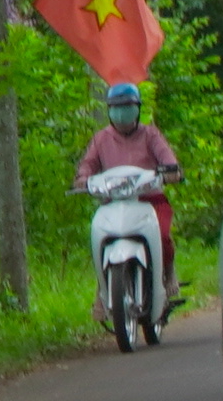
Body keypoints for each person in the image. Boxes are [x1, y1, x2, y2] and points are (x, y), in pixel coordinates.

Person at [74, 82, 182, 305]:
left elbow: (168, 160)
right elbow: (88, 164)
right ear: (109, 110)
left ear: (137, 109)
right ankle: (102, 290)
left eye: (128, 106)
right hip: (113, 202)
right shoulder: (101, 139)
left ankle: (169, 270)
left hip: (149, 199)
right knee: (101, 237)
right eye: (117, 107)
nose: (122, 112)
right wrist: (83, 179)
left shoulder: (150, 135)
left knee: (162, 234)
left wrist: (172, 171)